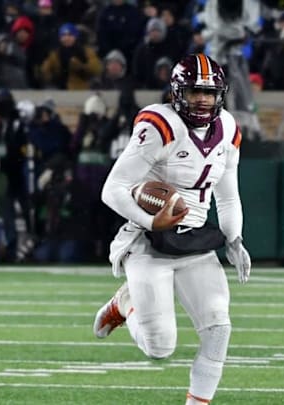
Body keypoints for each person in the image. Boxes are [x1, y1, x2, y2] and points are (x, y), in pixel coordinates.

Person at [92, 53, 251, 405]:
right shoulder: (159, 126)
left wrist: (234, 238)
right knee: (160, 347)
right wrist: (152, 219)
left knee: (218, 327)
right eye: (195, 92)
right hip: (148, 242)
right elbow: (112, 189)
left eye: (209, 93)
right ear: (178, 92)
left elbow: (227, 196)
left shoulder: (228, 129)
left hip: (195, 242)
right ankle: (125, 303)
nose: (203, 100)